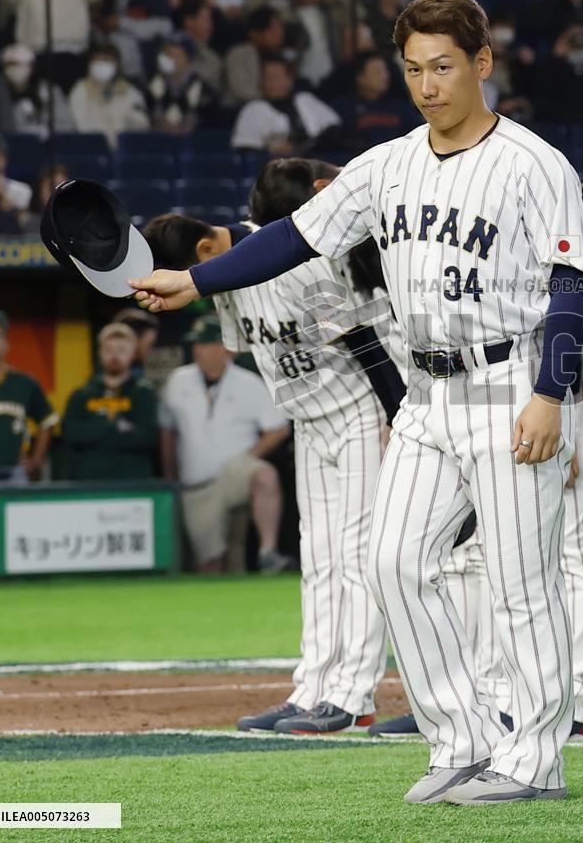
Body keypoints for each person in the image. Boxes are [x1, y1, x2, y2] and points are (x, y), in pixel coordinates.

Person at [129, 0, 583, 804]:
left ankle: (536, 762)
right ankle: (463, 738)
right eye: (413, 68)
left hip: (508, 382)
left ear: (482, 64)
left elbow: (571, 285)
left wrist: (549, 393)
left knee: (521, 583)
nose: (427, 84)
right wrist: (196, 280)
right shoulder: (387, 164)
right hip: (424, 394)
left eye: (443, 66)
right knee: (392, 562)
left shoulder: (534, 164)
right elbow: (293, 236)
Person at [144, 157, 405, 734]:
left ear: (205, 254)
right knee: (319, 558)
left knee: (358, 557)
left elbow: (362, 339)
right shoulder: (224, 279)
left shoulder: (288, 261)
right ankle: (311, 687)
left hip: (360, 414)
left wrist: (396, 415)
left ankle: (353, 694)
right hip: (309, 424)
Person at [159, 315, 292, 574]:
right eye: (196, 344)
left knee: (264, 475)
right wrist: (170, 475)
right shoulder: (178, 380)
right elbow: (167, 430)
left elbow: (278, 428)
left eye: (207, 344)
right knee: (211, 564)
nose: (199, 350)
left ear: (227, 349)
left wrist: (245, 459)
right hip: (197, 484)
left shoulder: (249, 382)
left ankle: (268, 552)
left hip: (234, 474)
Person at [61, 323, 158, 481]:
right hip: (88, 484)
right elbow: (71, 435)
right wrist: (116, 427)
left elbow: (147, 438)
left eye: (121, 350)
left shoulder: (143, 393)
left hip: (133, 485)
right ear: (99, 352)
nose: (114, 356)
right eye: (109, 350)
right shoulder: (81, 395)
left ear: (133, 353)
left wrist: (93, 430)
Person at [0, 307, 57, 486]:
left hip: (15, 473)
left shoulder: (23, 383)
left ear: (7, 342)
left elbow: (48, 421)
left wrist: (36, 459)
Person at [231, 55, 341, 156]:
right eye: (267, 77)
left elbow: (334, 129)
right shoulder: (253, 109)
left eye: (277, 76)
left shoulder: (305, 100)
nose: (272, 82)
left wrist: (305, 146)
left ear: (290, 79)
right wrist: (271, 151)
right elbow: (244, 148)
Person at [69, 43, 149, 149]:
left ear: (117, 65)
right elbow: (80, 124)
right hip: (92, 148)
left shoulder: (130, 91)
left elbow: (141, 124)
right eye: (97, 60)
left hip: (124, 149)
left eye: (106, 60)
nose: (101, 64)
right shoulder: (80, 90)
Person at [0, 44, 75, 138]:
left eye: (20, 64)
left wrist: (46, 131)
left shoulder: (49, 91)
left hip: (47, 146)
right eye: (11, 64)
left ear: (32, 67)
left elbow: (67, 125)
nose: (15, 69)